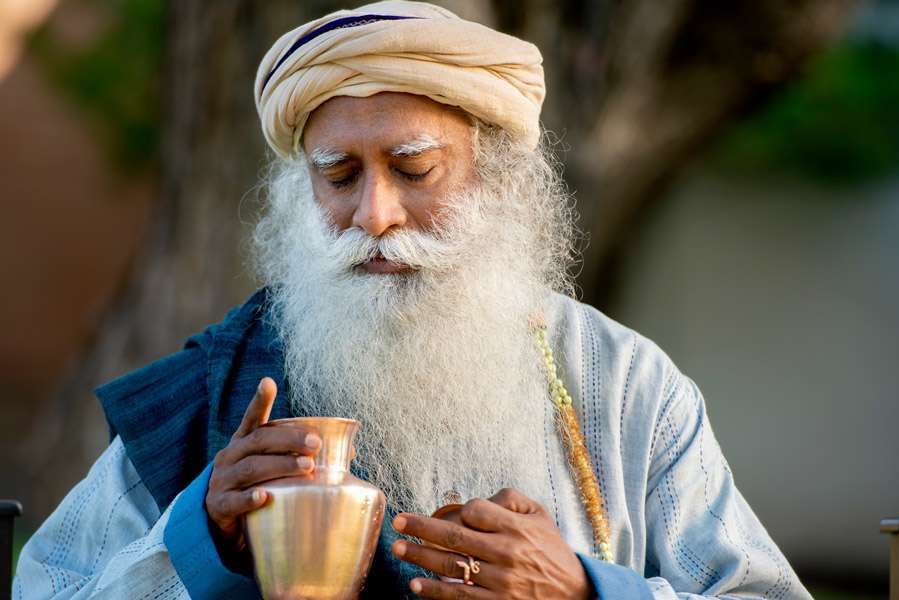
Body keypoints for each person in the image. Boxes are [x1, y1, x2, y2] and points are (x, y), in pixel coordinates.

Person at [14, 2, 811, 598]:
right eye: (339, 176)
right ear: (303, 193)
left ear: (495, 182)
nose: (376, 217)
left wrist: (585, 589)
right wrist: (200, 536)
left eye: (415, 168)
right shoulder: (211, 394)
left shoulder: (624, 384)